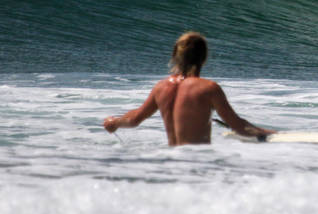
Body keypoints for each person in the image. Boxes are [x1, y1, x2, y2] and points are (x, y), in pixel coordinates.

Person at [102, 32, 274, 146]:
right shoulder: (208, 88)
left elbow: (134, 119)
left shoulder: (161, 87)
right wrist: (268, 133)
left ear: (175, 55)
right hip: (198, 161)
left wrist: (115, 122)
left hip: (172, 162)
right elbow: (238, 126)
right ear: (204, 57)